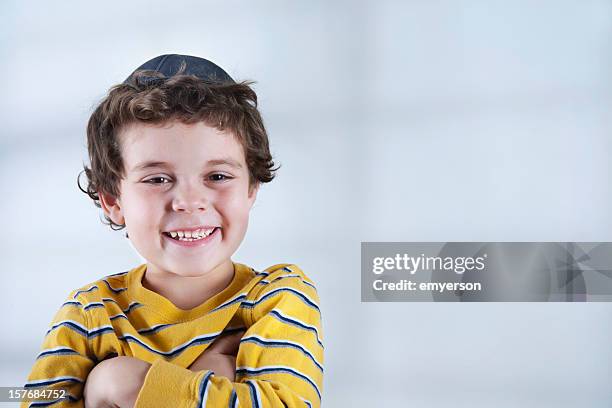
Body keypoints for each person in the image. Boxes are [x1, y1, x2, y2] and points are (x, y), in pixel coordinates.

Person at [21, 54, 323, 408]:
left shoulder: (278, 298)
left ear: (251, 189)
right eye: (158, 179)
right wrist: (210, 379)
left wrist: (121, 384)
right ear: (112, 200)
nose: (190, 202)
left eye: (218, 176)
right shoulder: (88, 312)